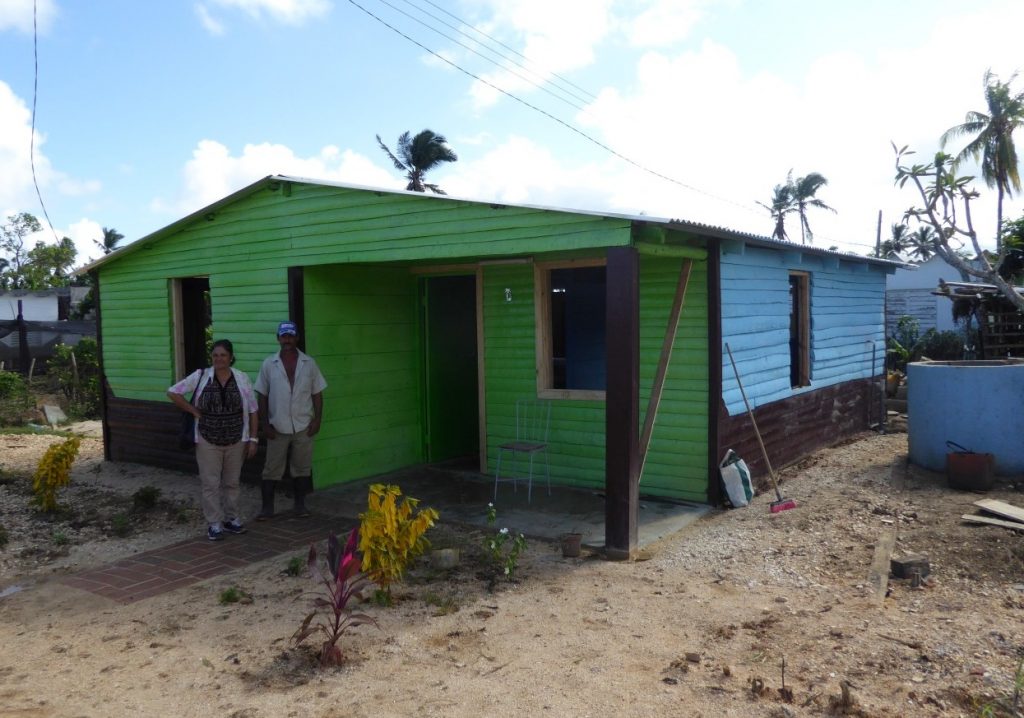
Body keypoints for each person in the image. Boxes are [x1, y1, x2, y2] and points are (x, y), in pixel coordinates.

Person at [167, 339, 259, 541]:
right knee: (210, 483)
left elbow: (253, 410)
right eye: (215, 355)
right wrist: (193, 411)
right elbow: (173, 392)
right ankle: (214, 523)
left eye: (223, 355)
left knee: (232, 482)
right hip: (207, 439)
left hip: (236, 439)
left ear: (231, 357)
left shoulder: (242, 379)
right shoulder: (201, 376)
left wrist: (253, 439)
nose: (219, 359)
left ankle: (231, 519)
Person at [255, 321, 327, 519]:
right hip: (277, 426)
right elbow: (262, 394)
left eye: (290, 336)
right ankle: (267, 509)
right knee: (271, 469)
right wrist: (264, 424)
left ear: (297, 338)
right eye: (283, 336)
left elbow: (317, 393)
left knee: (302, 467)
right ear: (278, 338)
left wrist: (317, 419)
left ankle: (300, 505)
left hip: (303, 425)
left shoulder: (309, 363)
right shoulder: (269, 364)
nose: (287, 340)